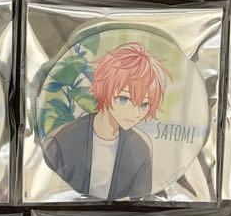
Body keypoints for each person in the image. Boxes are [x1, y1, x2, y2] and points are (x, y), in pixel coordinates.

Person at [42, 42, 168, 200]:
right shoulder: (62, 142)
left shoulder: (140, 148)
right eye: (124, 99)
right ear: (103, 89)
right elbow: (48, 196)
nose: (135, 113)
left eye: (144, 105)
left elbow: (141, 204)